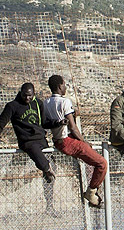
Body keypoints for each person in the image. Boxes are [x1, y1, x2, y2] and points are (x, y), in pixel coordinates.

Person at [46, 75, 108, 207]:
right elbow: (72, 127)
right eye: (64, 84)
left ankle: (93, 192)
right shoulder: (65, 102)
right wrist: (83, 142)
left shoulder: (46, 103)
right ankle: (91, 192)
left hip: (58, 140)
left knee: (92, 161)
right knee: (102, 163)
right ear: (59, 86)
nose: (66, 87)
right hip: (68, 140)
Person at [0, 83, 55, 183]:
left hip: (41, 139)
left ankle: (49, 191)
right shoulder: (12, 106)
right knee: (42, 163)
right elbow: (0, 124)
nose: (27, 98)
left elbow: (44, 123)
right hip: (27, 141)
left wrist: (58, 123)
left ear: (34, 94)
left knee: (51, 168)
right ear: (20, 93)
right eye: (24, 95)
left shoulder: (38, 104)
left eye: (30, 95)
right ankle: (46, 169)